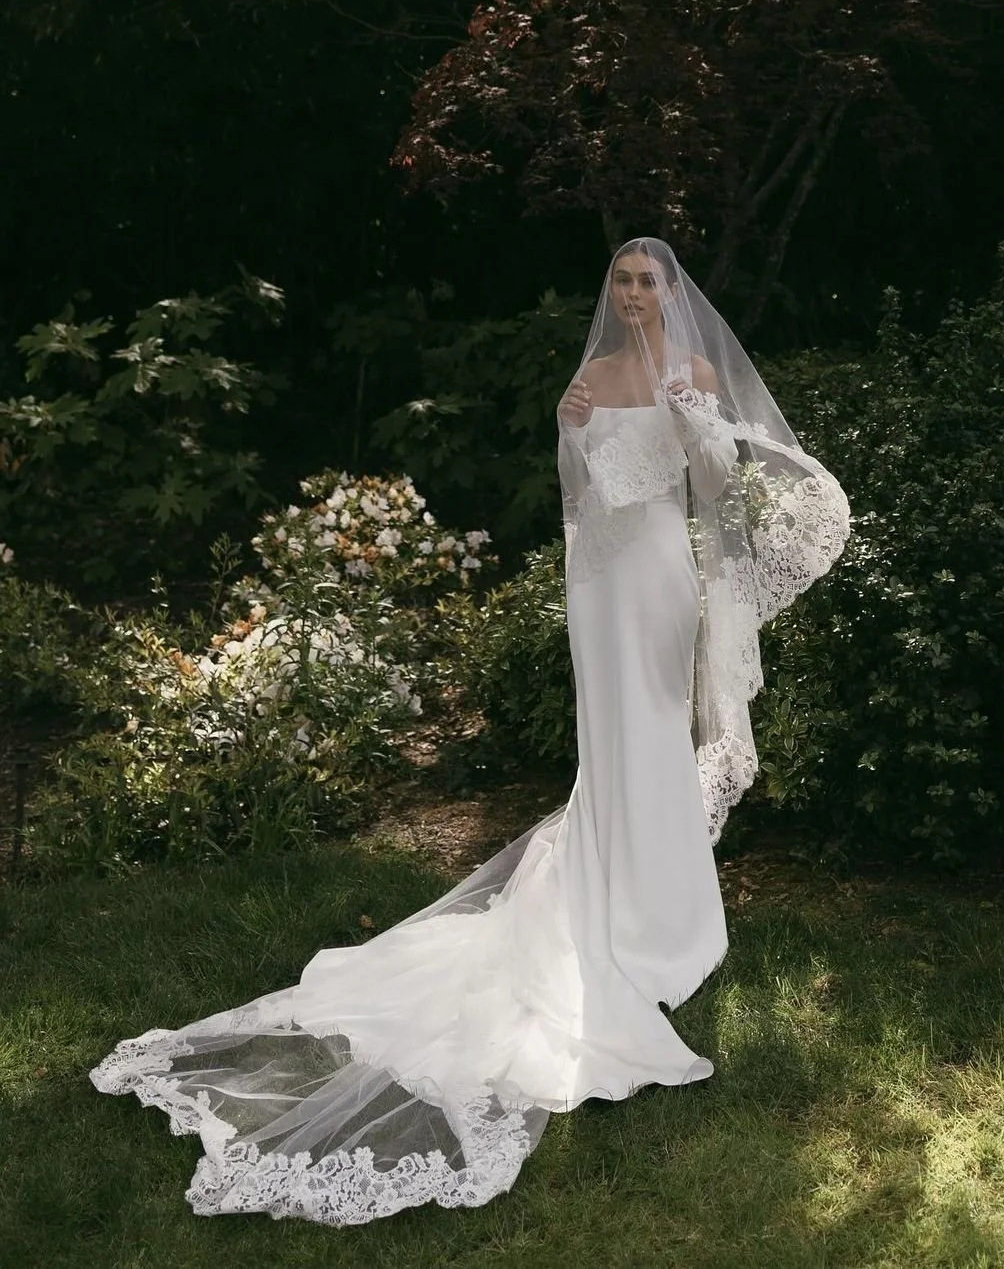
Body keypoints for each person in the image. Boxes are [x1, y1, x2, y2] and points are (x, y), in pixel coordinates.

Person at [89, 238, 850, 1227]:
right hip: (602, 587)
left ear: (670, 292)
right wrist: (571, 429)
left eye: (645, 281)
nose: (630, 295)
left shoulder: (692, 369)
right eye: (618, 280)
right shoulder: (590, 376)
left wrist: (691, 421)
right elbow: (580, 502)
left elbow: (713, 481)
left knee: (660, 734)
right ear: (609, 293)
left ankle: (668, 922)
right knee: (613, 747)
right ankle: (620, 907)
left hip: (664, 580)